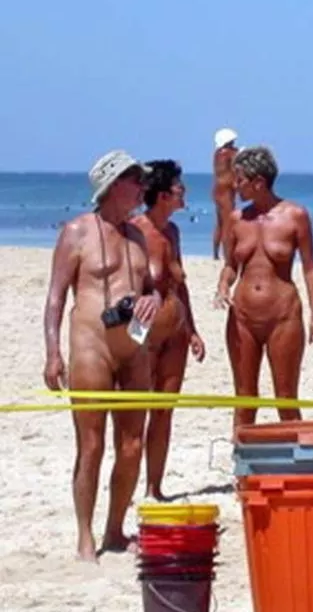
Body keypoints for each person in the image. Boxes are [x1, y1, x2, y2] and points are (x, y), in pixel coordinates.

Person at [42, 150, 163, 560]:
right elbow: (56, 298)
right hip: (91, 347)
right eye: (135, 180)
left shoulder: (138, 235)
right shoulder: (77, 232)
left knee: (132, 445)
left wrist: (153, 299)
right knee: (90, 446)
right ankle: (84, 535)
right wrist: (52, 352)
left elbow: (152, 286)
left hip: (134, 349)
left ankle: (115, 529)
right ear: (112, 186)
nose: (142, 188)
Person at [216, 146, 313, 430]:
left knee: (286, 398)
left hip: (283, 316)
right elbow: (230, 265)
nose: (235, 185)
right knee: (244, 398)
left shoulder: (295, 215)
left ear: (258, 182)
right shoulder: (237, 220)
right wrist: (222, 285)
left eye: (240, 180)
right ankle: (242, 472)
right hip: (242, 317)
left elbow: (310, 268)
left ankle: (296, 467)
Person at [131, 160, 206, 501]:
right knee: (135, 412)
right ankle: (130, 486)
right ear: (163, 195)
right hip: (143, 334)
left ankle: (154, 487)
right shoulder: (135, 230)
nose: (184, 193)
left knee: (164, 409)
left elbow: (180, 285)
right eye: (179, 188)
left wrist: (193, 330)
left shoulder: (173, 232)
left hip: (175, 331)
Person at [211, 128, 238, 260]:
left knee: (220, 223)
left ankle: (216, 253)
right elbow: (236, 163)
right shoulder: (229, 153)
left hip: (217, 189)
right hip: (226, 191)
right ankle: (228, 255)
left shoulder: (218, 153)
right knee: (228, 224)